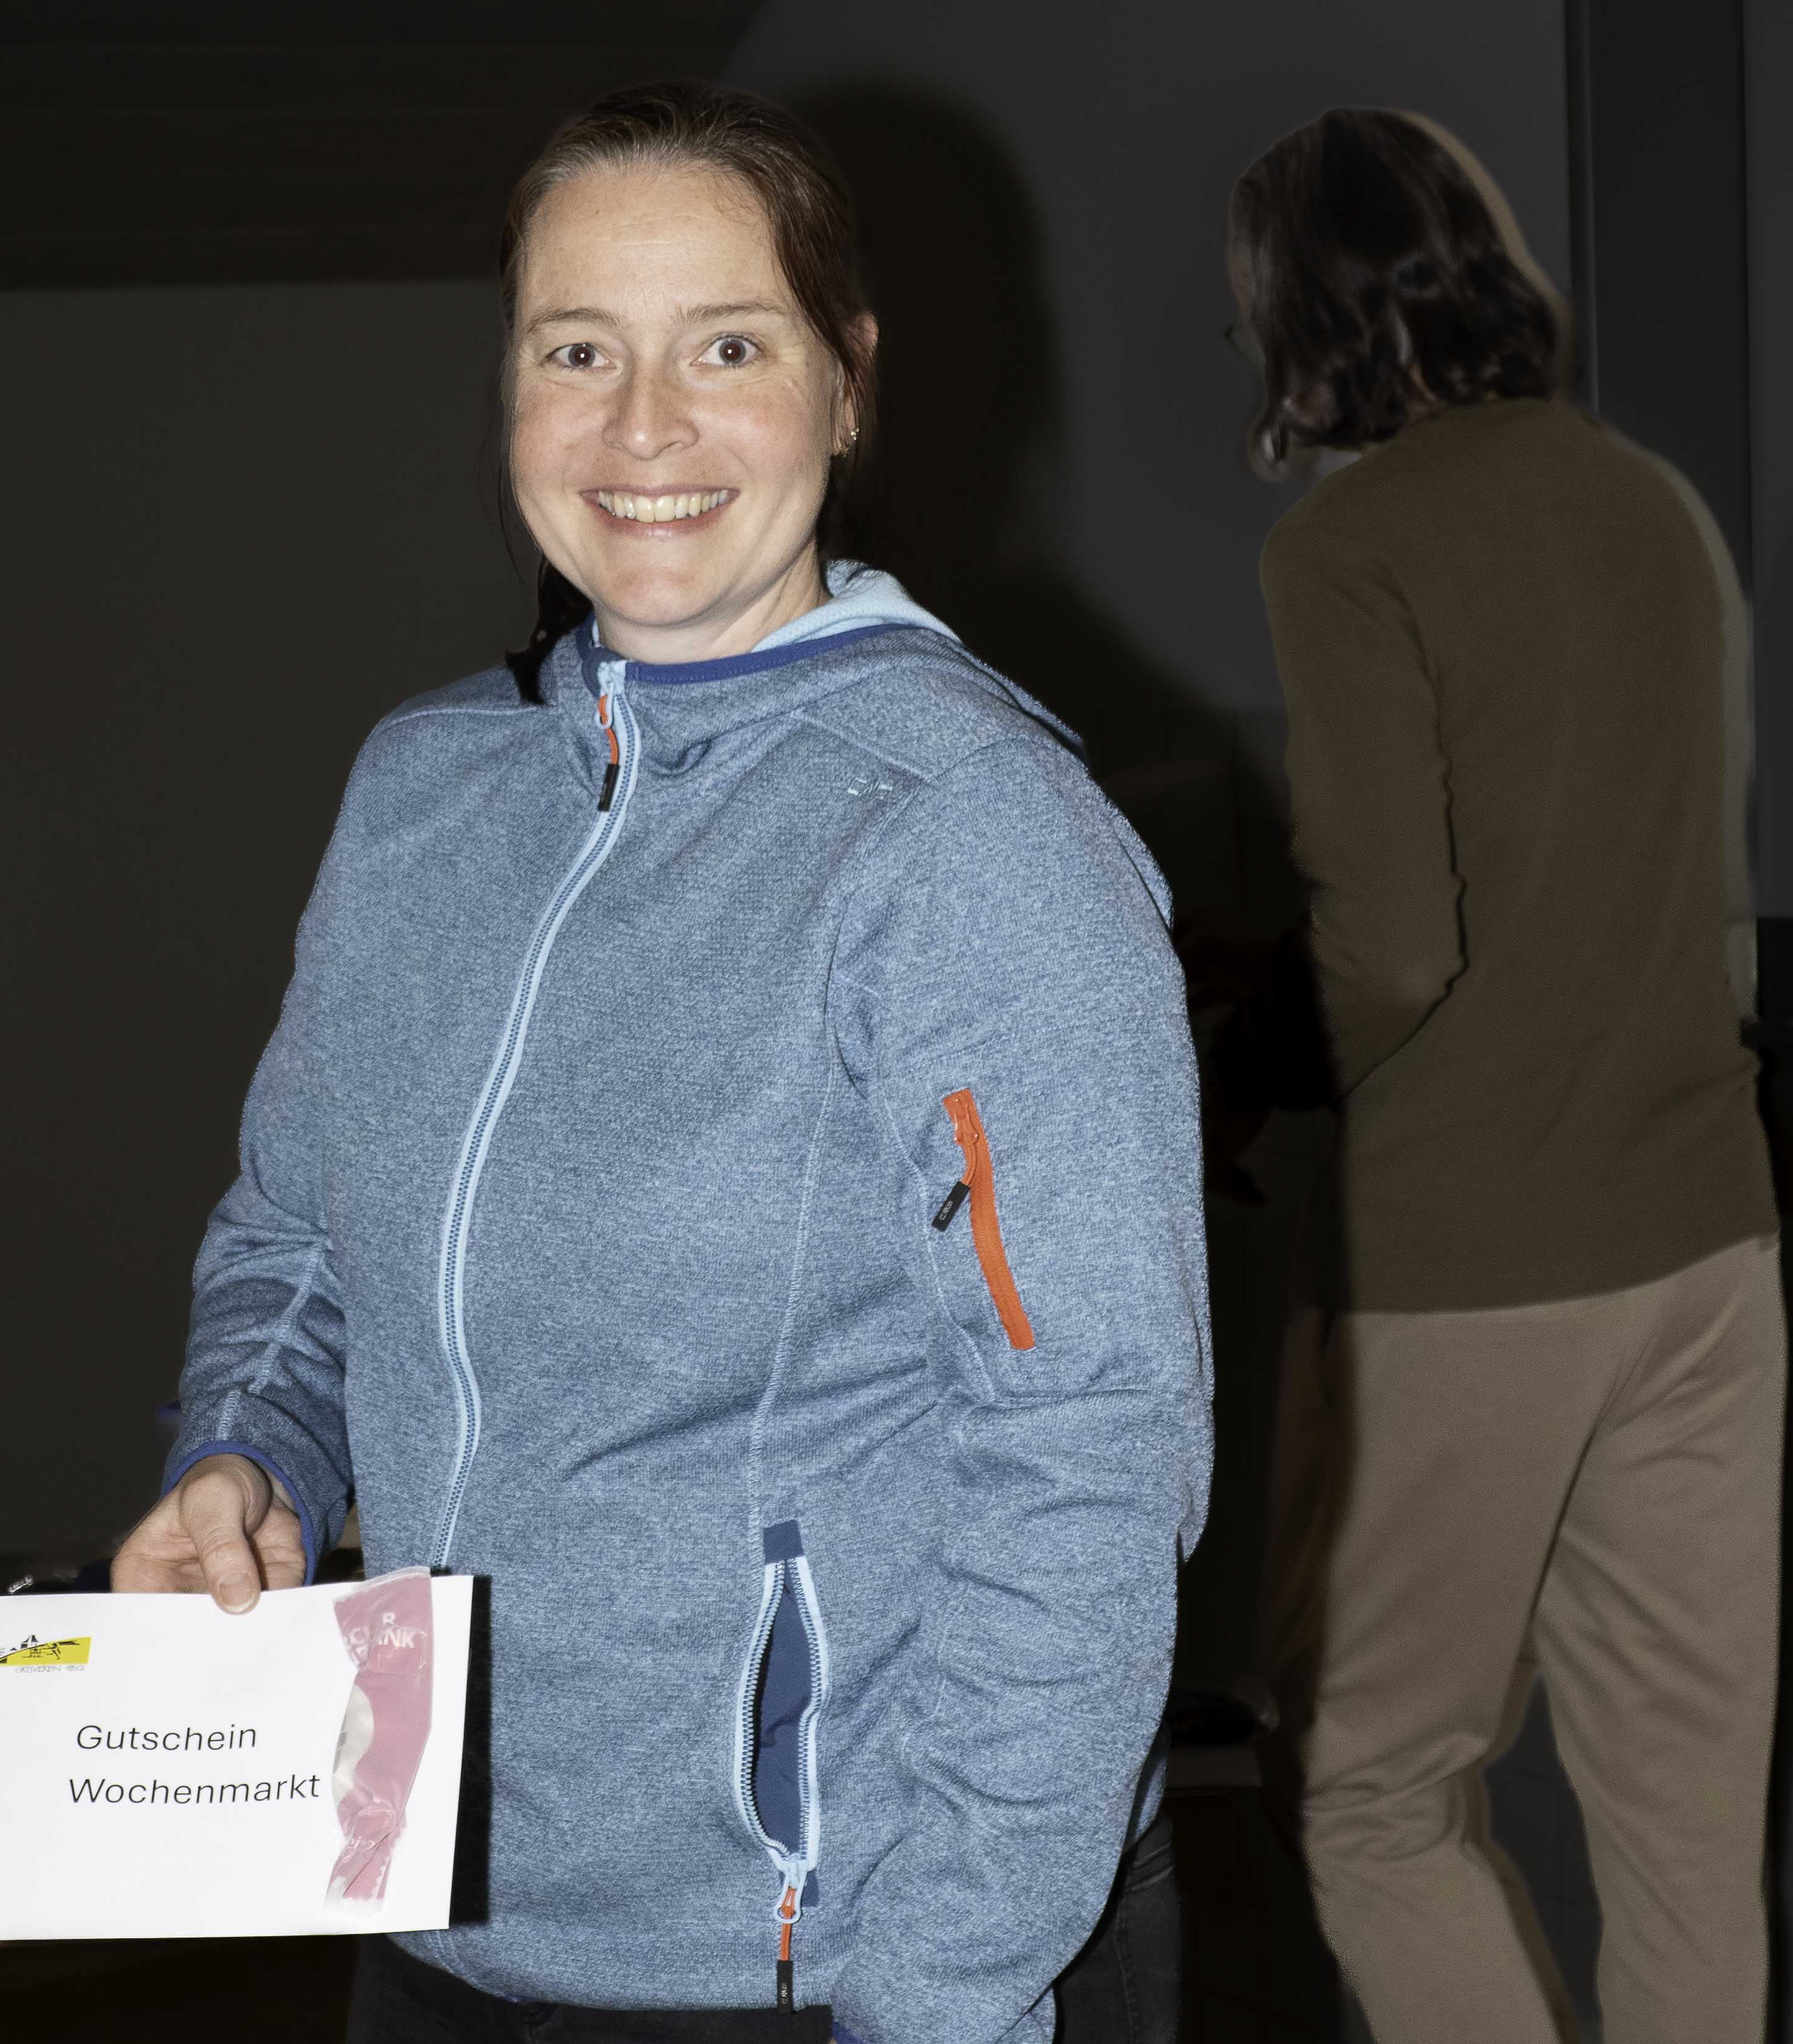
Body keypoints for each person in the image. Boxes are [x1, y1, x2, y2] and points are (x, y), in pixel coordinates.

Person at [116, 81, 1211, 2044]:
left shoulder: (966, 834)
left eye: (726, 347)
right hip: (437, 1921)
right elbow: (300, 1237)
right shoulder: (423, 795)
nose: (643, 428)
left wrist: (940, 1996)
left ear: (846, 385)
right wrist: (249, 1454)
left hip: (834, 1962)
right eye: (577, 351)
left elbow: (1090, 1457)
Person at [1213, 108, 1783, 2044]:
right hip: (1708, 1247)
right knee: (1686, 1837)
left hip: (1474, 1267)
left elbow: (1394, 948)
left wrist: (1243, 1081)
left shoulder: (1348, 545)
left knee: (1366, 1794)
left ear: (1295, 310)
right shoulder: (1646, 498)